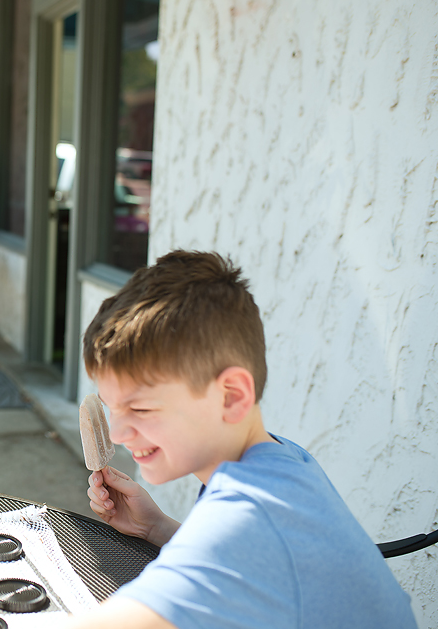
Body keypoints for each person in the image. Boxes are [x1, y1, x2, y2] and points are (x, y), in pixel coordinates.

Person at [65, 250, 416, 629]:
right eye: (112, 408)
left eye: (142, 409)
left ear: (231, 396)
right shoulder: (284, 460)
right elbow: (253, 568)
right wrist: (159, 529)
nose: (116, 434)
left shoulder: (246, 518)